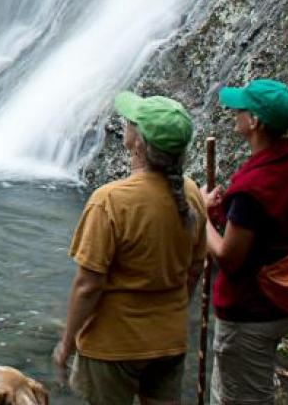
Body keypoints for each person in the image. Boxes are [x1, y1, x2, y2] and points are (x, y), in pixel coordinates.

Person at [55, 91, 206, 405]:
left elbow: (88, 285)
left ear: (138, 144)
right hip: (170, 341)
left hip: (113, 344)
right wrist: (173, 311)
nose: (125, 122)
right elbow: (194, 269)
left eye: (132, 122)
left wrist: (67, 342)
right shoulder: (192, 194)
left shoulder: (110, 201)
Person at [202, 78, 288, 405]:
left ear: (255, 122)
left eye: (241, 109)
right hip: (281, 303)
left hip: (250, 311)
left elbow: (229, 257)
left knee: (239, 397)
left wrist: (199, 214)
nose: (234, 113)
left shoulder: (255, 188)